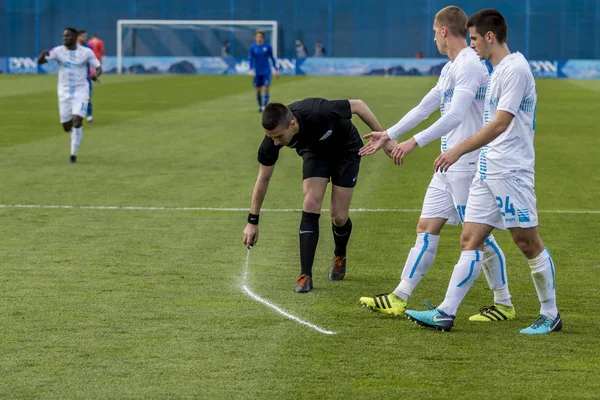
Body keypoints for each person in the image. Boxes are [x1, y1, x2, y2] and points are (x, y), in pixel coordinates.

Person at [405, 8, 561, 335]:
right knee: (470, 238)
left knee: (527, 242)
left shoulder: (515, 70)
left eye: (475, 38)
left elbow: (500, 124)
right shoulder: (495, 71)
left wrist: (457, 149)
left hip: (511, 171)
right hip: (487, 170)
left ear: (490, 37)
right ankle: (446, 312)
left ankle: (550, 313)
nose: (472, 45)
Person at [357, 6, 515, 323]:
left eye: (434, 31)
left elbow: (455, 115)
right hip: (448, 165)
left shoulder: (470, 65)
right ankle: (398, 297)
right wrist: (388, 134)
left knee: (478, 239)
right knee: (426, 228)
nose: (433, 38)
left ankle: (504, 303)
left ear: (444, 31)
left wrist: (413, 142)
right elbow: (426, 106)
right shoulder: (450, 68)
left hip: (467, 163)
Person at [242, 98, 397, 293]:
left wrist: (385, 138)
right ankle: (305, 275)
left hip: (346, 150)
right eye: (271, 137)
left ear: (292, 124)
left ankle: (339, 255)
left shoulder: (318, 111)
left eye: (279, 136)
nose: (275, 142)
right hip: (314, 154)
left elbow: (358, 105)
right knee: (311, 201)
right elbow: (263, 179)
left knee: (339, 217)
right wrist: (252, 222)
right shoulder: (271, 142)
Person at [38, 27, 102, 163]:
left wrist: (95, 76)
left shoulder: (86, 52)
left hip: (81, 91)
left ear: (75, 37)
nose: (65, 38)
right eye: (64, 36)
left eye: (68, 36)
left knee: (77, 121)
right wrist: (42, 56)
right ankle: (74, 130)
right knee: (67, 127)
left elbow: (98, 67)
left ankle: (73, 154)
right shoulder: (58, 51)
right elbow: (40, 62)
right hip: (64, 93)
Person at [248, 30, 279, 112]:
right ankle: (260, 105)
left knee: (266, 88)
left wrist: (276, 69)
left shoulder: (268, 46)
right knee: (258, 90)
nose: (259, 38)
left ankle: (264, 107)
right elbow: (250, 59)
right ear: (255, 37)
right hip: (257, 72)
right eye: (258, 36)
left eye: (261, 37)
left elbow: (272, 58)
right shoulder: (253, 47)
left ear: (263, 38)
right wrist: (250, 69)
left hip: (266, 71)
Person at [77, 30, 97, 123]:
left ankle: (89, 117)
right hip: (74, 79)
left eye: (86, 36)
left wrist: (94, 74)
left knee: (88, 98)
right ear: (78, 37)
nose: (85, 38)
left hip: (86, 78)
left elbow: (92, 61)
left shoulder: (87, 47)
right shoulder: (72, 48)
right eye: (83, 36)